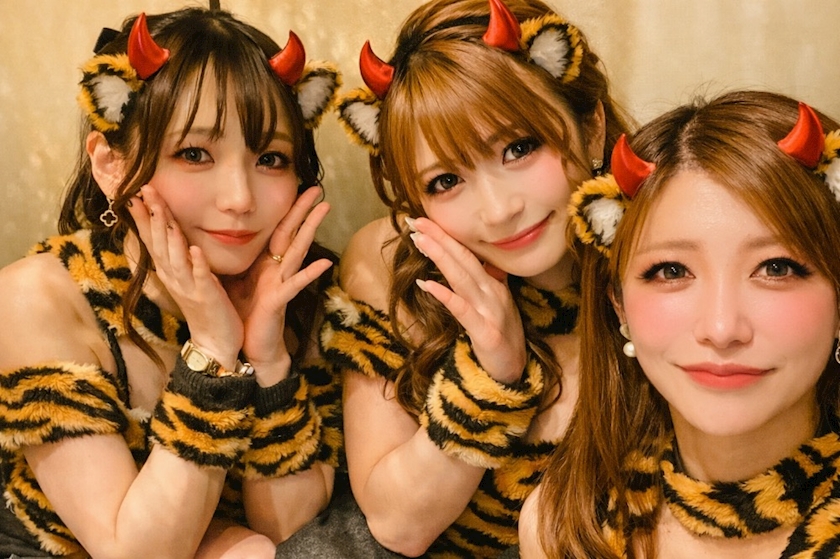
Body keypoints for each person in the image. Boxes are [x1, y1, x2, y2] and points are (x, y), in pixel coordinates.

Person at [0, 8, 342, 558]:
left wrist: (269, 358)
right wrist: (211, 350)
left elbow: (293, 536)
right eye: (194, 154)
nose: (240, 199)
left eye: (271, 158)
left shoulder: (296, 291)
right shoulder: (38, 298)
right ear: (111, 164)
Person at [322, 0, 630, 556]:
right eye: (445, 181)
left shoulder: (667, 265)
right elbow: (397, 524)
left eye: (519, 148)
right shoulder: (394, 264)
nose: (497, 210)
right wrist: (492, 377)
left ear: (591, 128)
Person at [519, 90, 840, 558]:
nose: (721, 328)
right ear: (619, 305)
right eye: (671, 271)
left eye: (776, 268)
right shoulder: (565, 530)